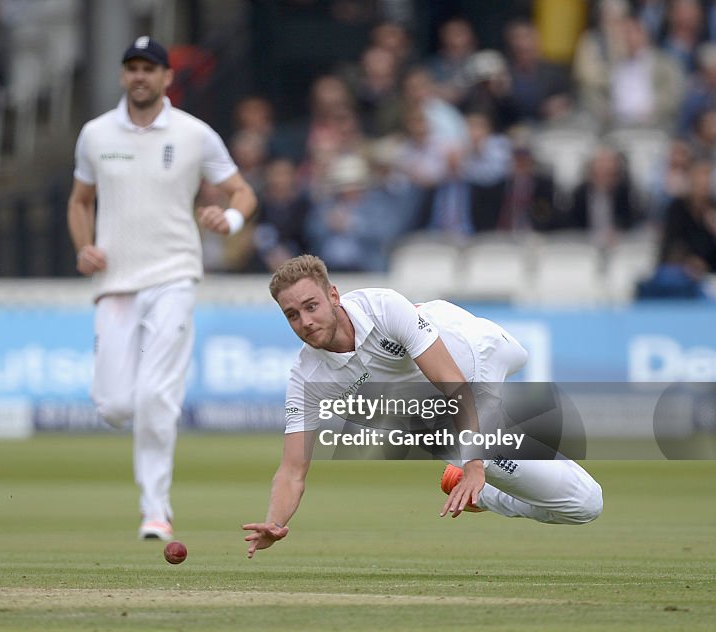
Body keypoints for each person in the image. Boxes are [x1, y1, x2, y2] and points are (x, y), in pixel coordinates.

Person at [243, 255, 603, 558]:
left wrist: (474, 466)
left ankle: (478, 479)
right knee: (586, 504)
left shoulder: (382, 307)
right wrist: (275, 523)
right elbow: (292, 471)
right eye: (292, 315)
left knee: (512, 359)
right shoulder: (306, 380)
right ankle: (486, 495)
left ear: (333, 295)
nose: (305, 321)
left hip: (477, 354)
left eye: (311, 306)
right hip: (444, 421)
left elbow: (454, 384)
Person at [68, 36, 257, 541]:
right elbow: (80, 200)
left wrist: (230, 217)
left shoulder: (195, 134)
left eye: (149, 68)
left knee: (156, 394)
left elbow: (243, 192)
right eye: (131, 67)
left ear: (167, 77)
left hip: (174, 275)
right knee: (114, 407)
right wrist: (84, 247)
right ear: (123, 75)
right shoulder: (96, 133)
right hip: (115, 282)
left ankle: (156, 510)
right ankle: (149, 481)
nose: (140, 76)